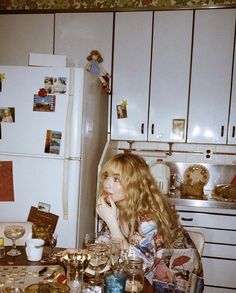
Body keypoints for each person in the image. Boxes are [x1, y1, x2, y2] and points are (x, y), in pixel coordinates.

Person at [96, 153, 204, 292]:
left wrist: (111, 223)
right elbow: (105, 242)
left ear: (134, 184)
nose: (106, 184)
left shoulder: (150, 218)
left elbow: (137, 267)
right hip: (144, 280)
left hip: (173, 285)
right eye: (106, 176)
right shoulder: (119, 206)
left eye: (116, 179)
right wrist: (82, 254)